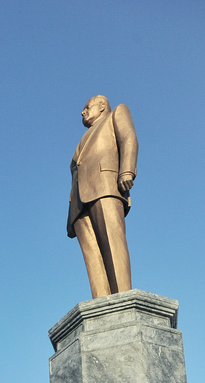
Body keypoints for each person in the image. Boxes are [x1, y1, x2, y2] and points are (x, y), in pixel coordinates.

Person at [67, 95, 139, 299]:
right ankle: (101, 302)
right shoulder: (81, 142)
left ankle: (123, 299)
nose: (83, 112)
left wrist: (126, 170)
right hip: (80, 203)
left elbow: (129, 138)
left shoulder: (117, 113)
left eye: (86, 107)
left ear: (102, 106)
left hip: (106, 186)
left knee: (113, 242)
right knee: (92, 257)